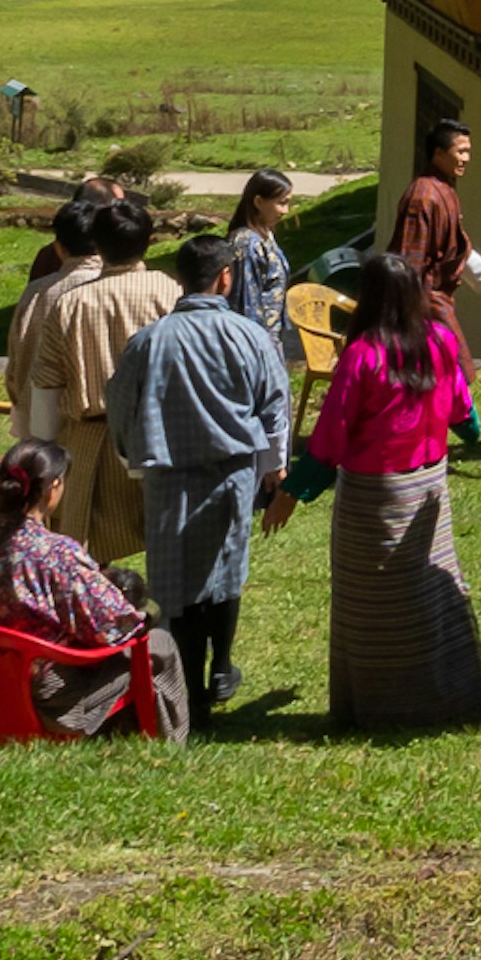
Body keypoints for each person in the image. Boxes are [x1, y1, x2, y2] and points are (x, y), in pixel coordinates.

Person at [279, 249, 481, 731]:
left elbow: (331, 436)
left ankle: (381, 704)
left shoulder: (362, 355)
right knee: (430, 590)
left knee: (372, 604)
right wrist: (471, 430)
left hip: (373, 500)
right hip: (429, 490)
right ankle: (448, 692)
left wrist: (292, 490)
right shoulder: (439, 341)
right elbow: (465, 413)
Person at [104, 231, 290, 726]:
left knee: (173, 576)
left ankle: (185, 678)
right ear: (225, 277)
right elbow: (274, 406)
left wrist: (129, 452)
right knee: (226, 569)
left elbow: (119, 404)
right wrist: (275, 466)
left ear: (180, 280)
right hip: (232, 473)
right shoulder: (250, 335)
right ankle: (221, 666)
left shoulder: (149, 340)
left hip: (168, 473)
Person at [0, 440, 188, 741]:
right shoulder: (56, 553)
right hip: (50, 699)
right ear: (53, 487)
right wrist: (144, 612)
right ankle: (171, 746)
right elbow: (116, 624)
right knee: (159, 644)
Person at [22, 196, 180, 565]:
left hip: (89, 441)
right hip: (158, 436)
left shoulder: (73, 303)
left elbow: (47, 383)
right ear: (149, 240)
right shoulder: (171, 292)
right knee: (161, 541)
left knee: (87, 556)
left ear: (97, 243)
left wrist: (44, 454)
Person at [3, 199, 104, 406]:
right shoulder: (118, 288)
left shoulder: (36, 292)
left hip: (37, 416)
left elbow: (15, 365)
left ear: (59, 247)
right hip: (102, 421)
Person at [387, 118, 481, 307]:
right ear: (439, 154)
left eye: (468, 152)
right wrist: (409, 314)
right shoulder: (423, 197)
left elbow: (453, 245)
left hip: (438, 297)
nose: (466, 159)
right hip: (421, 301)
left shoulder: (444, 189)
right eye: (461, 152)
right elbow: (410, 259)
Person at [224, 168, 299, 369]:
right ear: (258, 202)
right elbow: (246, 303)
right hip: (255, 345)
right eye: (281, 203)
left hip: (270, 339)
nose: (286, 211)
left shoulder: (265, 237)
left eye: (288, 203)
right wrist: (258, 351)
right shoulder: (247, 244)